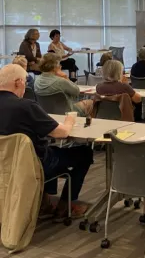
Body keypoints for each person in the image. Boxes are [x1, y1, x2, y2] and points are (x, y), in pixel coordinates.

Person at [0, 64, 92, 220]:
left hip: (4, 165)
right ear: (18, 82)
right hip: (31, 165)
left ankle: (45, 202)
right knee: (84, 153)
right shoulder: (26, 106)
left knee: (48, 148)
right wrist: (70, 120)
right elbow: (61, 133)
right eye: (24, 82)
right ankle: (65, 205)